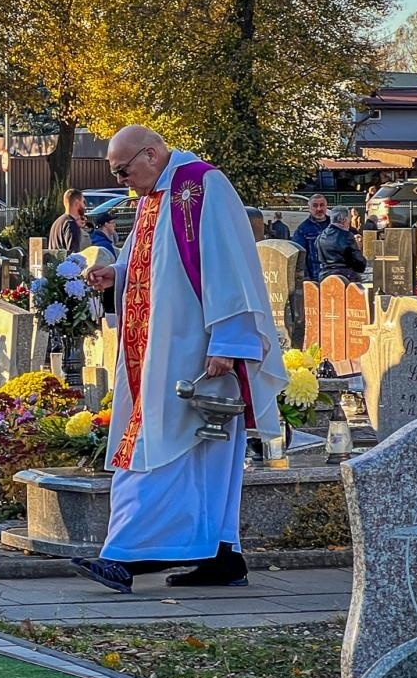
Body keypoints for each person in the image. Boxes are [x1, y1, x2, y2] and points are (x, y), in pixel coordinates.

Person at [74, 126, 286, 595]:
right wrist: (117, 272)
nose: (123, 181)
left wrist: (230, 342)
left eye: (124, 170)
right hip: (158, 350)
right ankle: (221, 556)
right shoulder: (155, 194)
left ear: (150, 154)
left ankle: (121, 557)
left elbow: (229, 267)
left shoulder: (200, 186)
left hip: (192, 350)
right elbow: (154, 259)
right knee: (196, 454)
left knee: (157, 447)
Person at [314, 206, 367, 282]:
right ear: (345, 220)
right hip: (345, 277)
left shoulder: (320, 237)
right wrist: (358, 249)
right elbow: (360, 265)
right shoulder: (347, 236)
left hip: (324, 277)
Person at [292, 195, 329, 278]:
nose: (319, 209)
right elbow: (298, 256)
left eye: (322, 205)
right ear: (309, 208)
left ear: (326, 206)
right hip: (315, 277)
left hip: (336, 276)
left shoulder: (335, 225)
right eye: (315, 206)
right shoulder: (302, 229)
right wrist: (307, 278)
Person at [48, 188, 86, 254]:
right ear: (77, 203)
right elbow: (73, 255)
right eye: (83, 202)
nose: (84, 206)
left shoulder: (57, 222)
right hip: (65, 263)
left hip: (55, 263)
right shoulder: (71, 224)